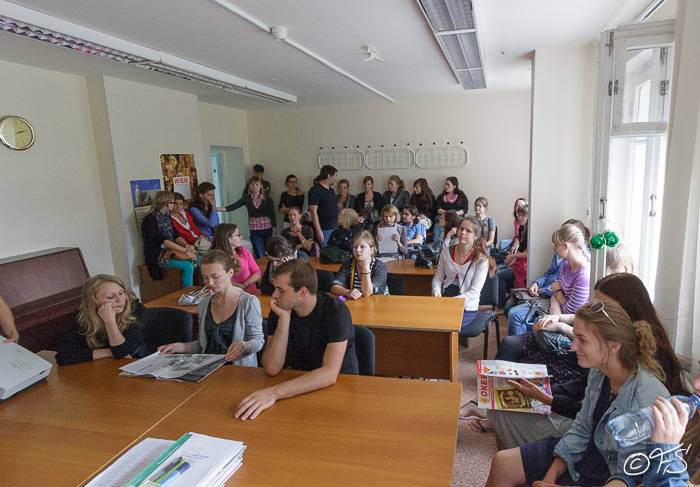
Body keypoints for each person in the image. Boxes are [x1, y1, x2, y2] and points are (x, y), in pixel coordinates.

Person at [468, 272, 687, 445]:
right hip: (583, 419)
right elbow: (585, 390)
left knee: (504, 416)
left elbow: (591, 421)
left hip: (594, 435)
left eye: (601, 306)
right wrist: (545, 392)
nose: (594, 310)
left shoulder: (641, 362)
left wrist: (548, 398)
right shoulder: (609, 349)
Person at [485, 301, 669, 487]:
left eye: (582, 340)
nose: (573, 347)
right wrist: (551, 476)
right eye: (575, 337)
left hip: (608, 473)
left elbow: (628, 477)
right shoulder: (599, 372)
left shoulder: (644, 400)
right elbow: (582, 428)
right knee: (502, 463)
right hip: (588, 452)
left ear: (613, 346)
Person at [234, 259, 358, 420]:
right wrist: (284, 320)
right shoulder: (281, 309)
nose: (274, 295)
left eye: (281, 290)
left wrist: (274, 393)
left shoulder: (336, 311)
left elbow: (329, 374)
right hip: (297, 384)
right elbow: (272, 368)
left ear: (302, 292)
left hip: (338, 388)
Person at [157, 250, 264, 367]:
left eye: (215, 277)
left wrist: (245, 346)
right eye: (206, 278)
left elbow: (258, 341)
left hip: (237, 370)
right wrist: (177, 347)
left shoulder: (248, 302)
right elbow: (202, 345)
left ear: (230, 272)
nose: (210, 283)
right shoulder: (204, 303)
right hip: (208, 367)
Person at [505, 221, 589, 334]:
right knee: (511, 311)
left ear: (565, 246)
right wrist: (553, 295)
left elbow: (569, 311)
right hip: (555, 302)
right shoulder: (566, 264)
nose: (554, 248)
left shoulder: (583, 276)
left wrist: (557, 293)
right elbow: (555, 286)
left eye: (556, 245)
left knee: (515, 315)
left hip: (566, 317)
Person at [55, 275, 148, 365]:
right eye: (110, 297)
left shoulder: (135, 309)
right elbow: (62, 356)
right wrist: (110, 352)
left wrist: (109, 321)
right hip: (106, 366)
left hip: (138, 362)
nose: (119, 300)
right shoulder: (82, 316)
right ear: (94, 301)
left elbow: (122, 352)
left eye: (121, 293)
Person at [432, 216, 497, 333]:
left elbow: (474, 292)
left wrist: (452, 302)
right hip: (445, 298)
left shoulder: (481, 259)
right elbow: (438, 277)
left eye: (468, 231)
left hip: (467, 306)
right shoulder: (446, 251)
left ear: (476, 236)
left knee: (445, 326)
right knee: (429, 323)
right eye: (461, 229)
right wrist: (436, 290)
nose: (463, 233)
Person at [141, 191, 197, 288]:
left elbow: (176, 236)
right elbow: (164, 241)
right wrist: (185, 250)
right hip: (158, 256)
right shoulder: (149, 219)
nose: (174, 205)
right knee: (188, 266)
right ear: (167, 204)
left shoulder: (167, 216)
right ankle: (187, 292)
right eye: (173, 202)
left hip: (171, 251)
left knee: (198, 259)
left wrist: (187, 246)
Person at [222, 176, 277, 259]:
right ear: (249, 186)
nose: (255, 187)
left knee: (269, 253)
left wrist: (274, 228)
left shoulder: (268, 199)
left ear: (261, 186)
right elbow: (232, 207)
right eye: (252, 185)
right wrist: (215, 208)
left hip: (267, 229)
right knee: (260, 255)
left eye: (257, 185)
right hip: (255, 231)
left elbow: (272, 214)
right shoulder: (246, 199)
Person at [331, 231, 389, 299]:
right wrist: (347, 292)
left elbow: (367, 293)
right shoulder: (348, 264)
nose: (358, 250)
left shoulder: (380, 267)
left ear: (371, 250)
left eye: (362, 247)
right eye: (355, 247)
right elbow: (334, 287)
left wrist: (365, 269)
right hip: (357, 302)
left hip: (379, 302)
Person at [211, 224, 261, 291]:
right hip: (225, 292)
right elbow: (211, 281)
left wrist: (244, 285)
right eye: (238, 235)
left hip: (249, 291)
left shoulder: (243, 250)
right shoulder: (215, 257)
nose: (241, 237)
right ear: (227, 238)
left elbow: (257, 273)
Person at [497, 204, 529, 308]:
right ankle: (506, 297)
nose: (520, 217)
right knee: (497, 270)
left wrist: (514, 257)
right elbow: (520, 249)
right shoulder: (522, 228)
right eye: (519, 215)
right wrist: (513, 260)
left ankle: (501, 305)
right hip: (519, 261)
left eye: (523, 215)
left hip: (525, 265)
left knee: (499, 275)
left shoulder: (531, 231)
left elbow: (529, 253)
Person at [308, 164, 339, 246]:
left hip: (334, 228)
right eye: (335, 175)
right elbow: (313, 211)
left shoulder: (331, 190)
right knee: (326, 252)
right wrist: (318, 230)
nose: (336, 178)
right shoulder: (315, 190)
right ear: (329, 176)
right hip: (324, 229)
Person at [432, 177, 469, 242]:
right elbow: (438, 209)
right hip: (444, 216)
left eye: (448, 185)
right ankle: (436, 245)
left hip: (456, 217)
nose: (446, 186)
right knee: (438, 223)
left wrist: (454, 214)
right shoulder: (441, 197)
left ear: (454, 186)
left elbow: (465, 209)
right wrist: (448, 213)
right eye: (445, 184)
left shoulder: (461, 196)